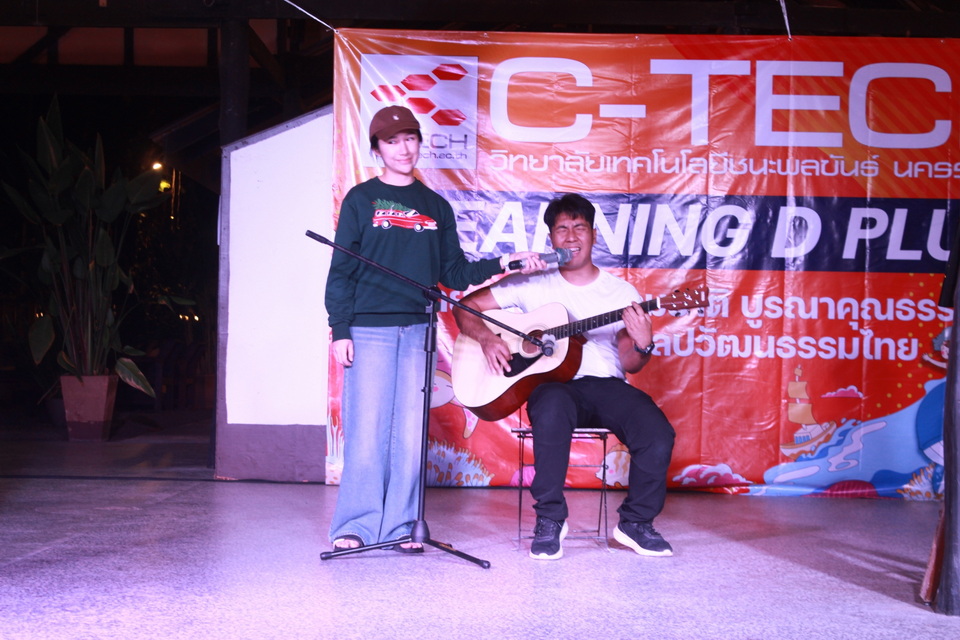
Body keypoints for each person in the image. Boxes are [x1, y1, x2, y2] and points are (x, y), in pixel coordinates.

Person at [324, 105, 544, 553]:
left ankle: (402, 525)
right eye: (392, 141)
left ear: (419, 143)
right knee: (367, 430)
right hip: (368, 330)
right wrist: (340, 328)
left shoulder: (435, 206)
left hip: (417, 333)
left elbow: (454, 273)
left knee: (408, 433)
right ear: (377, 149)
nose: (403, 149)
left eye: (410, 138)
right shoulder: (361, 200)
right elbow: (341, 271)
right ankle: (357, 525)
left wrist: (506, 262)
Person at [453, 193, 676, 560]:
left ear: (594, 235)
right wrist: (487, 338)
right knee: (552, 406)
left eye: (580, 227)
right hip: (553, 386)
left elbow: (631, 362)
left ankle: (635, 524)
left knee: (656, 430)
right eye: (562, 229)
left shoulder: (621, 292)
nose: (571, 237)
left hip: (607, 386)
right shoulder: (532, 282)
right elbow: (466, 307)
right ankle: (550, 519)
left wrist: (643, 343)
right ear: (551, 238)